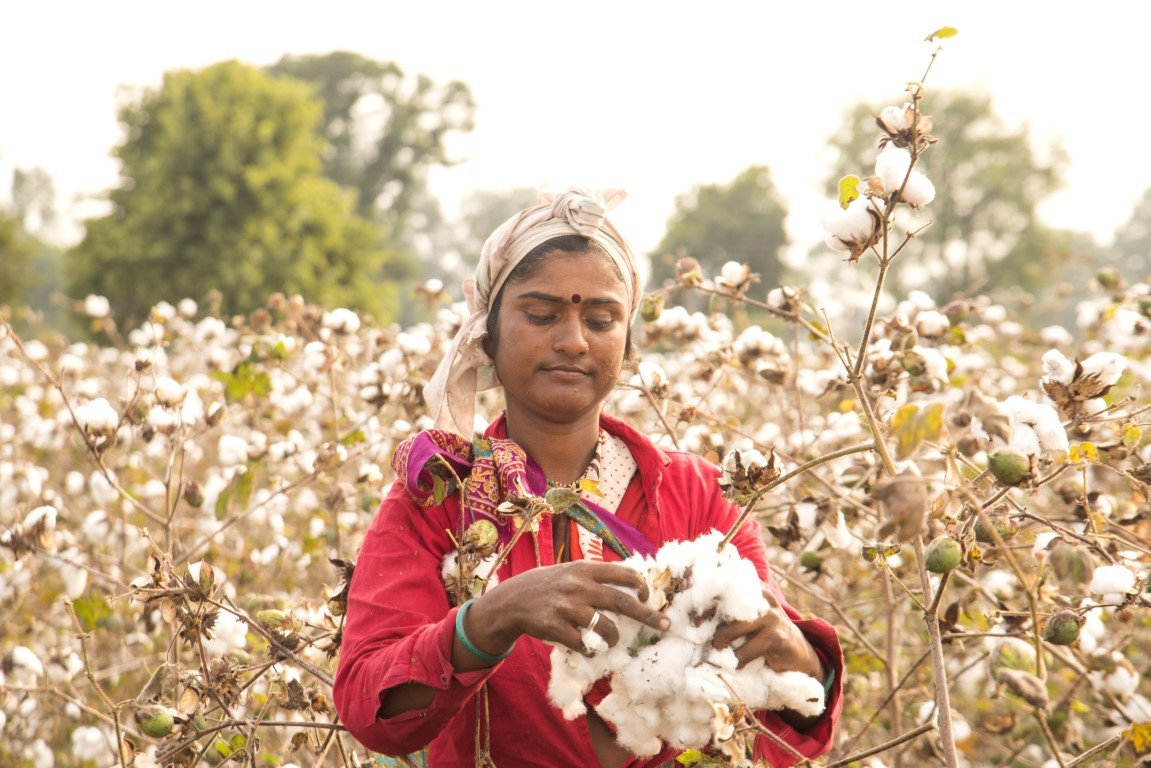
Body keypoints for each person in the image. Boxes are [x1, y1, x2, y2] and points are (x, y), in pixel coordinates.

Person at [333, 187, 843, 767]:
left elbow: (792, 716)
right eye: (542, 314)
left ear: (625, 342)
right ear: (488, 335)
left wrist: (799, 656)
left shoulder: (695, 496)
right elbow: (370, 707)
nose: (573, 341)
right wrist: (492, 618)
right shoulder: (440, 497)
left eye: (600, 319)